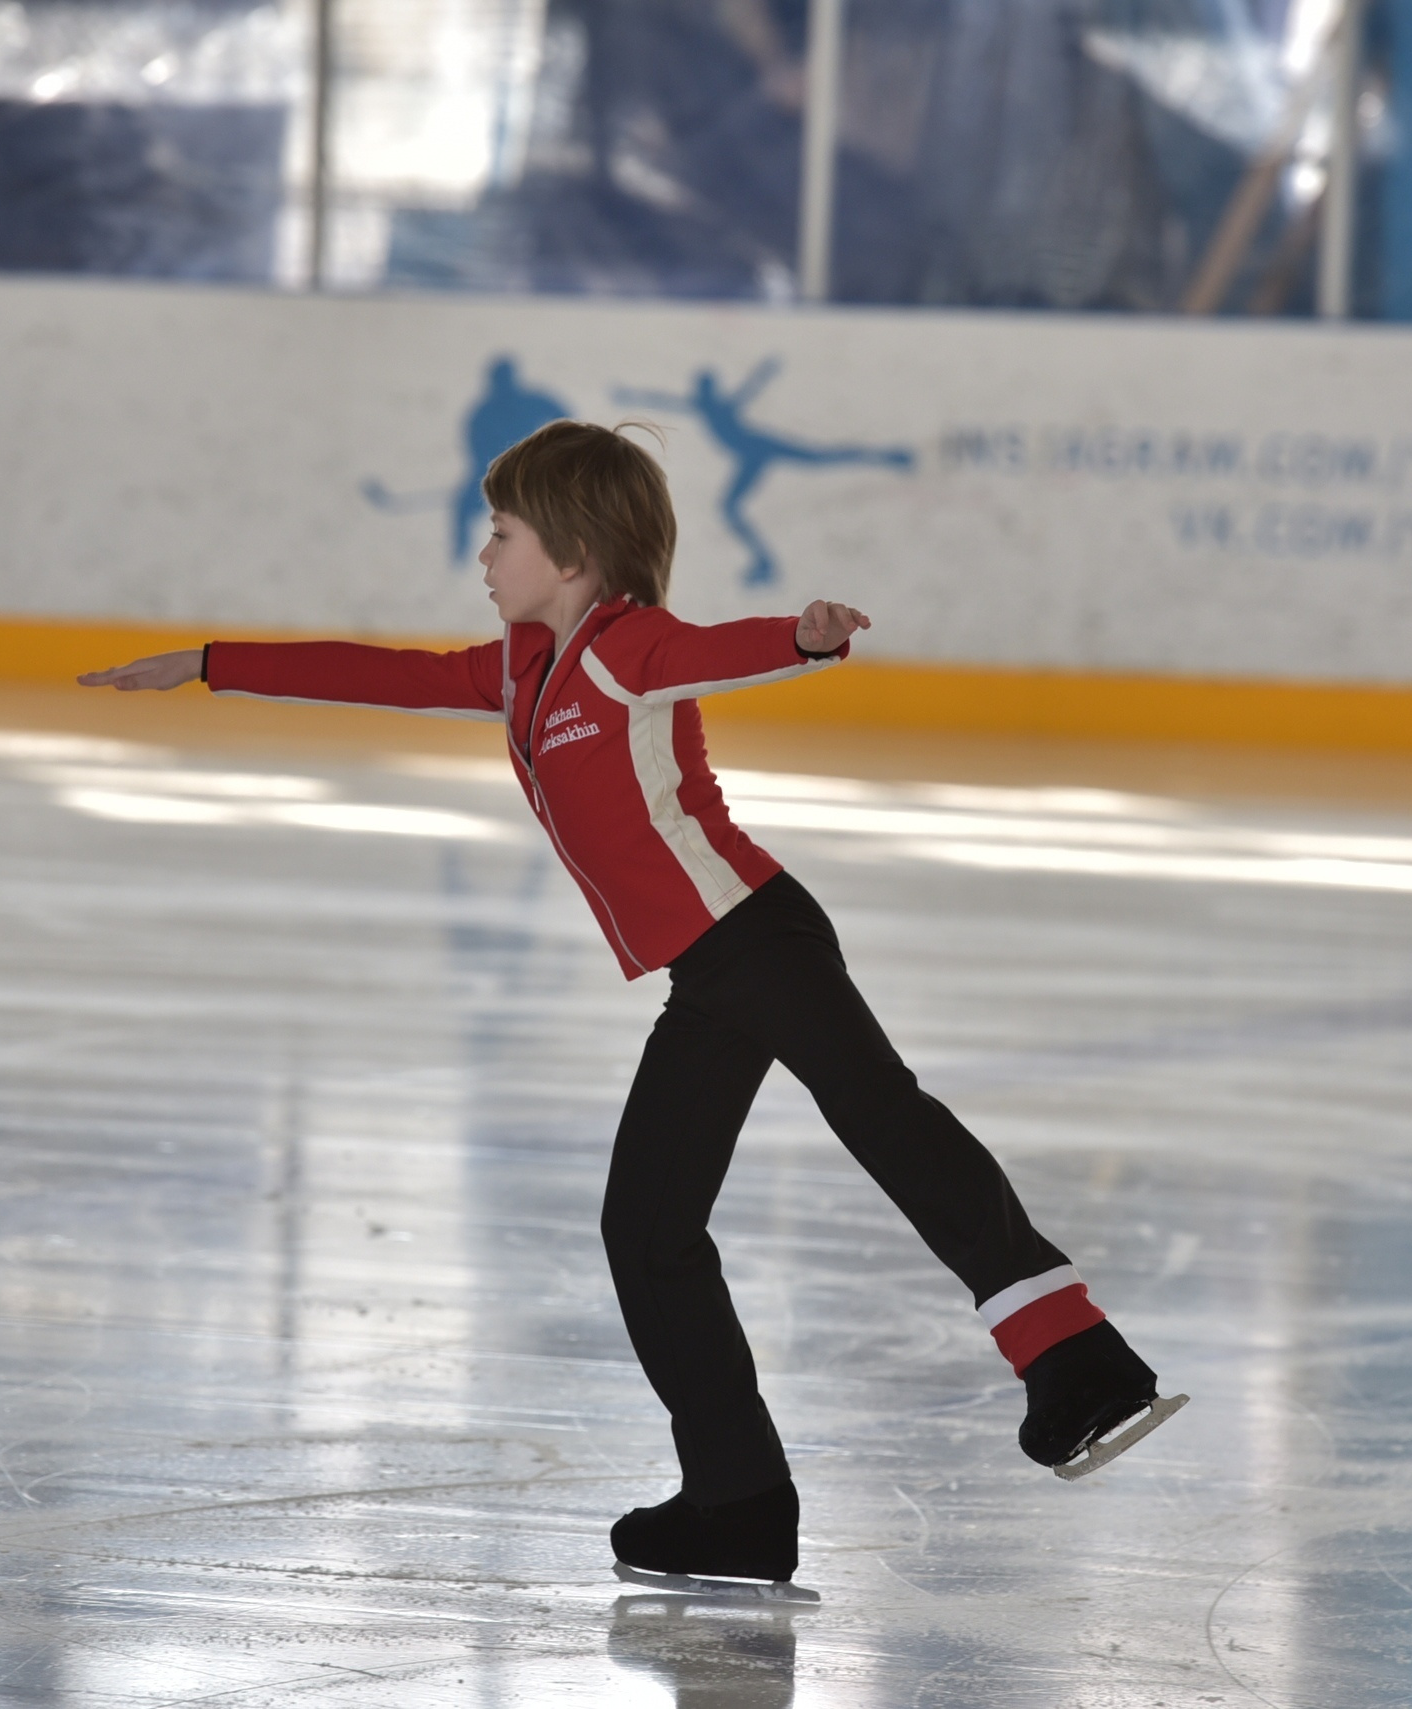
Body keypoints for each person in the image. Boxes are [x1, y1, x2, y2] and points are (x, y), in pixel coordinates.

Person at [80, 420, 1173, 1589]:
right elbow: (386, 673)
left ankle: (1078, 1360)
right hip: (710, 975)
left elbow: (710, 648)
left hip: (759, 939)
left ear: (575, 552)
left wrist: (803, 641)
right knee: (647, 1230)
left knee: (883, 1118)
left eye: (502, 532)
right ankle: (738, 1500)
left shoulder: (622, 645)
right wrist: (209, 659)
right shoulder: (517, 667)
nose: (483, 552)